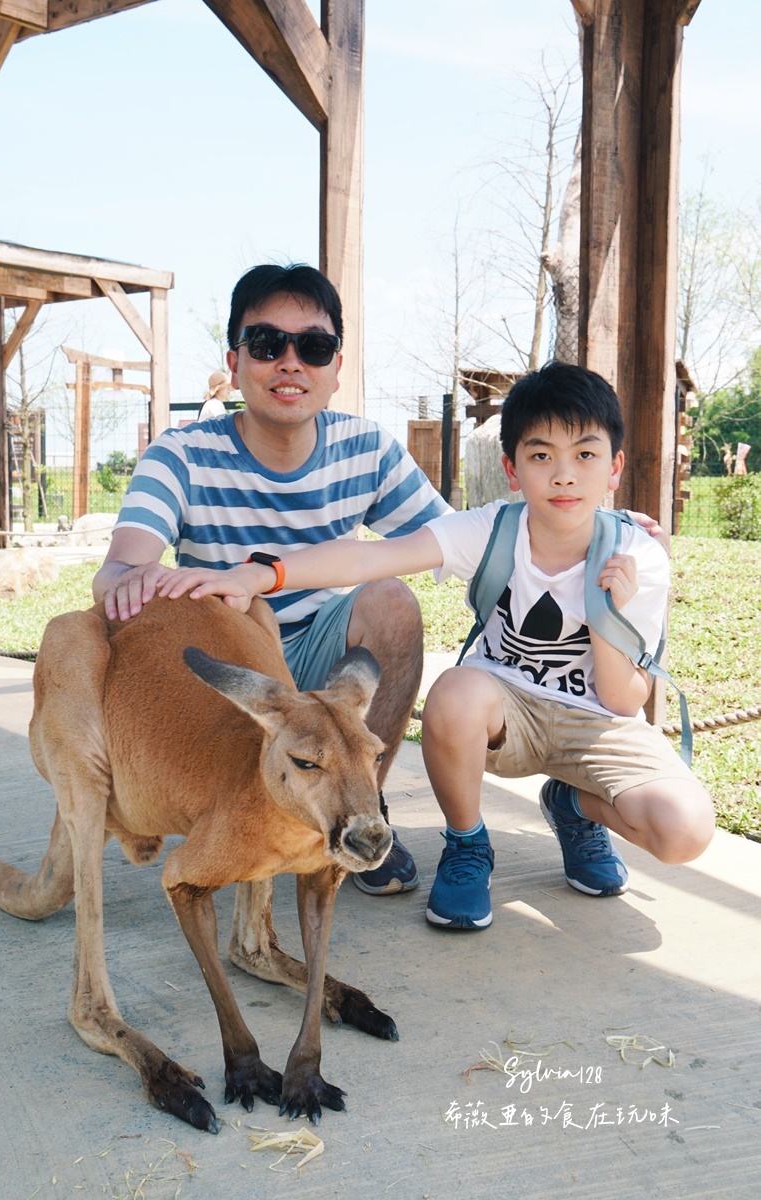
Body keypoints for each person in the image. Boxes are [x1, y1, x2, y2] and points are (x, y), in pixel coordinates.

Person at [155, 361, 715, 932]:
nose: (564, 475)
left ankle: (572, 808)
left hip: (596, 721)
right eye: (542, 455)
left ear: (615, 467)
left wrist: (606, 613)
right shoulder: (491, 530)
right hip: (505, 714)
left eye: (586, 455)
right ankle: (468, 844)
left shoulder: (639, 556)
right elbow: (369, 556)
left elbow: (624, 701)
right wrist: (261, 575)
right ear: (512, 470)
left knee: (684, 832)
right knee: (456, 691)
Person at [93, 263, 453, 896]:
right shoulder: (179, 454)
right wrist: (133, 579)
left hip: (321, 660)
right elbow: (121, 568)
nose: (290, 362)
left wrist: (604, 527)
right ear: (235, 364)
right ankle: (241, 820)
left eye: (312, 347)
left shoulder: (366, 448)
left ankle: (358, 814)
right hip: (232, 671)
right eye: (266, 344)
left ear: (336, 367)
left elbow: (456, 542)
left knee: (392, 604)